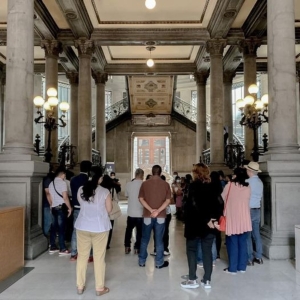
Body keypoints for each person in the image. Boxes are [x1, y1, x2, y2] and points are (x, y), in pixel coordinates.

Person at [181, 163, 221, 290]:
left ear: (195, 173)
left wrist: (206, 219)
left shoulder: (193, 186)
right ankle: (207, 280)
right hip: (209, 225)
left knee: (191, 250)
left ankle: (192, 279)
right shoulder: (214, 185)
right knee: (207, 252)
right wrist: (214, 219)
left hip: (195, 224)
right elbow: (220, 204)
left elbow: (194, 206)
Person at [75, 172, 112, 296]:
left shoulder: (81, 189)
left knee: (82, 256)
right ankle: (99, 288)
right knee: (99, 258)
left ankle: (80, 286)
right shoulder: (105, 191)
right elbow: (109, 209)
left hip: (82, 225)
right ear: (99, 178)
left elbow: (82, 204)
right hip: (99, 227)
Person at [138, 165, 171, 269]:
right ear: (161, 173)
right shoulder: (165, 184)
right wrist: (158, 211)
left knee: (144, 239)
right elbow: (168, 201)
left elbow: (141, 199)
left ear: (152, 172)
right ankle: (159, 262)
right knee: (159, 240)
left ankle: (142, 261)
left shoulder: (145, 184)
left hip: (148, 215)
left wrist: (151, 210)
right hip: (160, 216)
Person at [220, 167, 252, 274]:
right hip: (244, 218)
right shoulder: (248, 188)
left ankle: (233, 268)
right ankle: (242, 267)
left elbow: (223, 197)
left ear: (236, 175)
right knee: (243, 242)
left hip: (233, 217)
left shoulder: (229, 186)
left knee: (232, 243)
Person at [70, 160, 92, 261]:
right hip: (87, 208)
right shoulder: (89, 181)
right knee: (90, 230)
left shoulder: (73, 179)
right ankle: (89, 253)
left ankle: (74, 252)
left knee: (75, 230)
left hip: (76, 206)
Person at [48, 167, 72, 255]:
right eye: (64, 175)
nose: (65, 176)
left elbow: (50, 196)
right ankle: (62, 248)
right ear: (63, 174)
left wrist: (51, 205)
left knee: (54, 227)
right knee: (62, 228)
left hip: (54, 207)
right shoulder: (62, 183)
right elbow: (65, 197)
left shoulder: (51, 183)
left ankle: (53, 246)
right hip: (61, 208)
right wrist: (69, 208)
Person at [244, 161, 264, 265]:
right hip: (257, 209)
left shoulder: (247, 182)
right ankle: (259, 256)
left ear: (250, 171)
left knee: (247, 235)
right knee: (256, 234)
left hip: (249, 210)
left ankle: (250, 258)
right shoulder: (260, 182)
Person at [150, 174, 172, 256]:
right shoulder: (167, 187)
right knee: (165, 231)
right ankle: (165, 249)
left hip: (159, 213)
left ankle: (157, 249)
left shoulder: (155, 189)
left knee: (157, 231)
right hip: (166, 212)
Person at [124, 168, 144, 254]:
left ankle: (127, 246)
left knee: (128, 230)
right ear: (142, 175)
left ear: (135, 174)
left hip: (131, 211)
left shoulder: (129, 184)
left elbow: (126, 196)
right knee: (139, 231)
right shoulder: (144, 184)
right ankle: (137, 248)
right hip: (140, 212)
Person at [100, 175, 119, 249]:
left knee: (102, 227)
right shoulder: (112, 189)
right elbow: (116, 199)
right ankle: (107, 244)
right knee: (110, 227)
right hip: (110, 211)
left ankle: (101, 242)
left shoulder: (100, 189)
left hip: (102, 210)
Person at [42, 164, 55, 237]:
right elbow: (48, 193)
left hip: (44, 203)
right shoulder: (47, 179)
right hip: (47, 204)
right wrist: (51, 204)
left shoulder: (43, 178)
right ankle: (44, 236)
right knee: (48, 220)